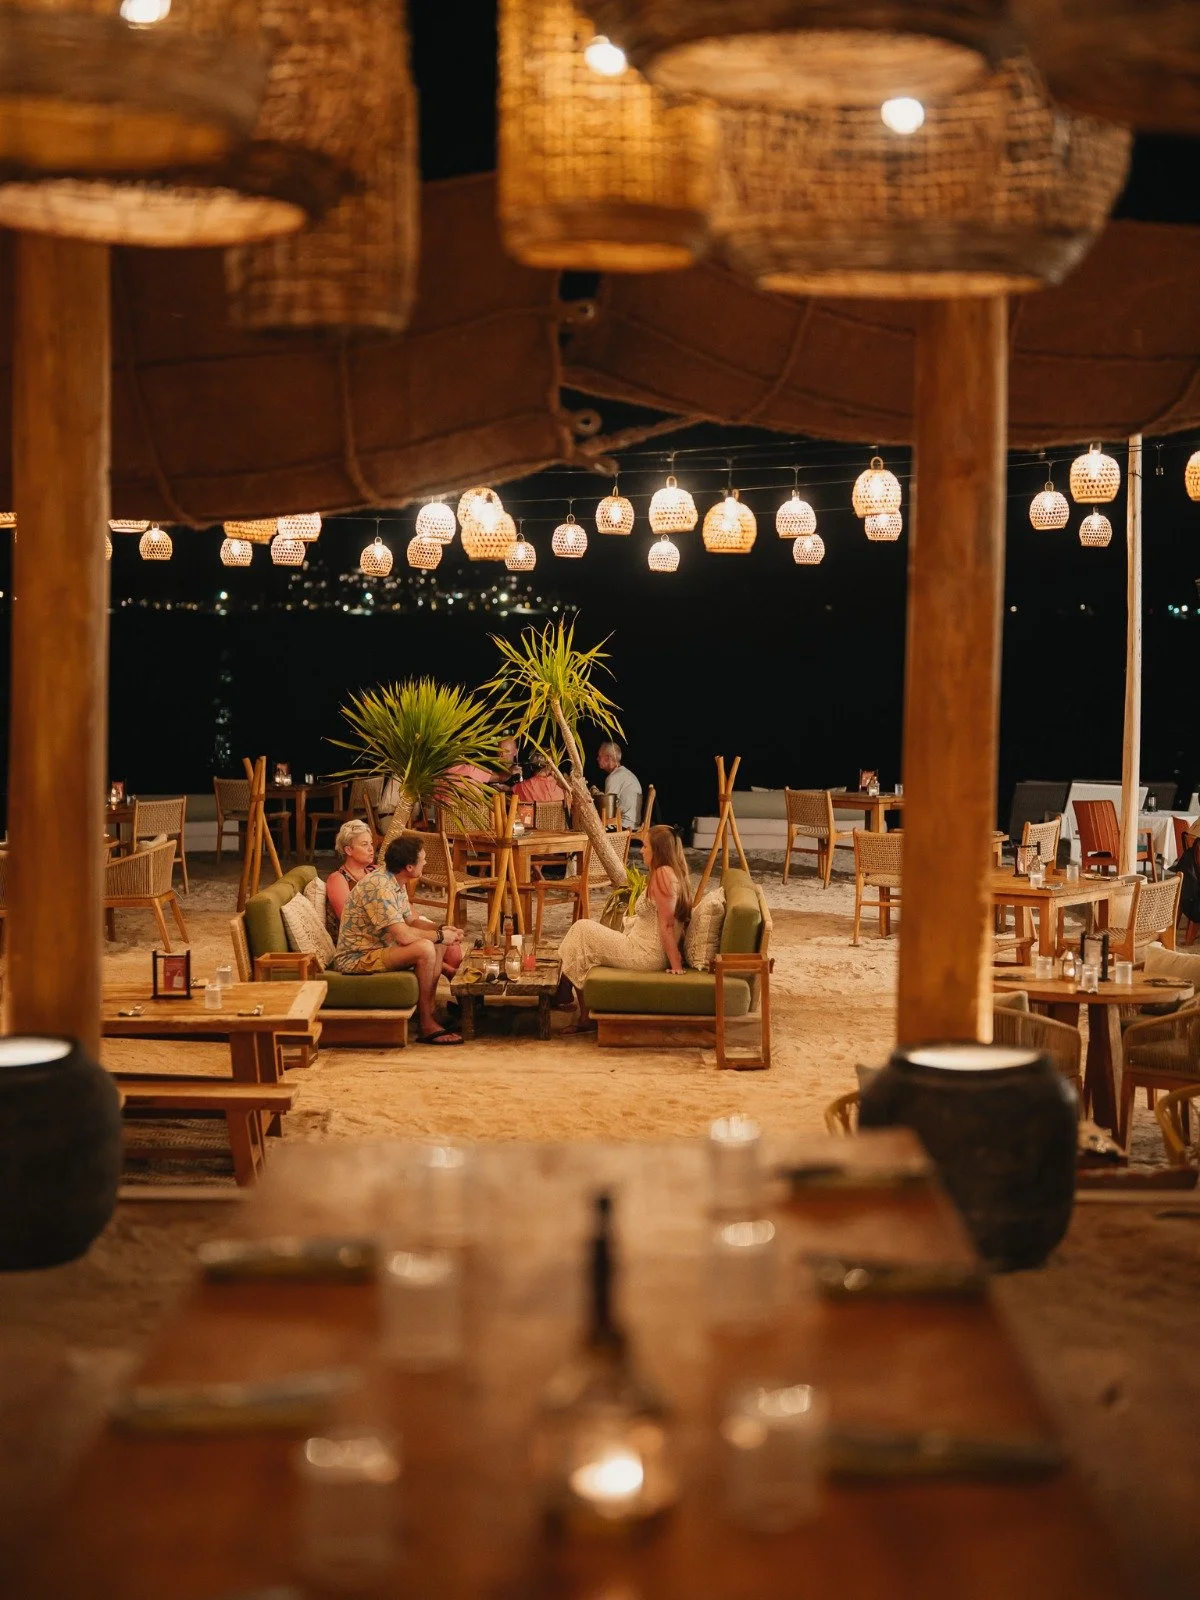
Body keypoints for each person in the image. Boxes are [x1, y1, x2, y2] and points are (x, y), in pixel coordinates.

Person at [331, 834, 466, 1045]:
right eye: (423, 859)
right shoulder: (380, 887)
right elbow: (403, 935)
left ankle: (430, 1011)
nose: (426, 862)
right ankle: (426, 1024)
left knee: (438, 943)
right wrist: (438, 935)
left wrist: (441, 930)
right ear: (409, 867)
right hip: (358, 957)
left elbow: (411, 920)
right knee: (425, 948)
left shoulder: (395, 880)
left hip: (380, 948)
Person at [555, 825, 690, 1031]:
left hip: (645, 954)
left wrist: (676, 964)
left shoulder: (664, 875)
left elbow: (668, 925)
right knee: (583, 934)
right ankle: (565, 992)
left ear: (659, 851)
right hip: (640, 946)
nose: (642, 850)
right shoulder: (672, 873)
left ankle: (569, 1000)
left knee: (582, 929)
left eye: (645, 846)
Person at [324, 819, 378, 935]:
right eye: (364, 844)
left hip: (382, 932)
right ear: (348, 850)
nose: (371, 849)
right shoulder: (338, 879)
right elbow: (349, 920)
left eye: (371, 843)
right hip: (357, 941)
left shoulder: (375, 871)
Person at [596, 741, 641, 828]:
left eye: (599, 756)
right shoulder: (625, 773)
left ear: (608, 758)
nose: (597, 759)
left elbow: (607, 815)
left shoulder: (614, 777)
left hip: (623, 826)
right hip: (632, 824)